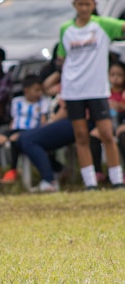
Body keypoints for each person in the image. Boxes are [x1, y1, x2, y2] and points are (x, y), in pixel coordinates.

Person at [57, 0, 125, 190]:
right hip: (73, 90)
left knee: (106, 134)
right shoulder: (66, 28)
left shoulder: (102, 24)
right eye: (80, 4)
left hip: (97, 89)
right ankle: (90, 182)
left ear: (93, 5)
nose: (84, 8)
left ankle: (117, 179)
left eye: (88, 4)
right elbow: (62, 57)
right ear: (74, 5)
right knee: (81, 136)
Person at [0, 74, 49, 186]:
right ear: (26, 91)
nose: (39, 93)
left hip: (31, 131)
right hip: (15, 129)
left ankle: (12, 170)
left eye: (40, 90)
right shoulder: (17, 102)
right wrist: (6, 134)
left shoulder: (42, 102)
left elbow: (43, 121)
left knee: (14, 140)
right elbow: (13, 120)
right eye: (36, 90)